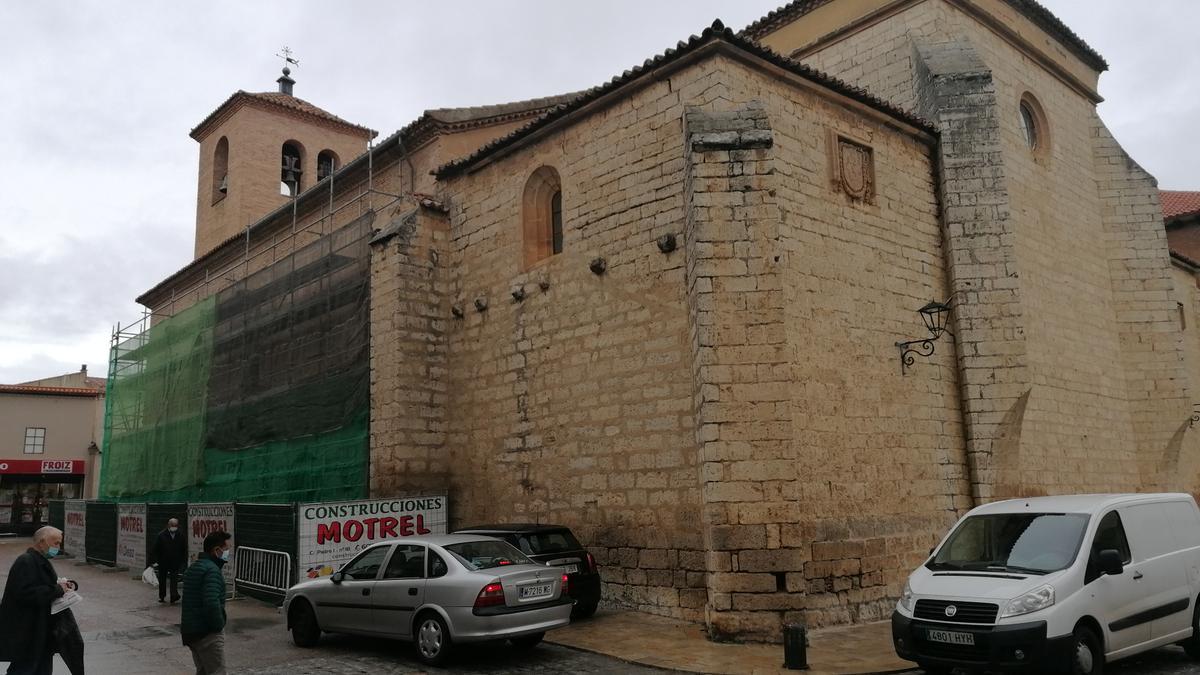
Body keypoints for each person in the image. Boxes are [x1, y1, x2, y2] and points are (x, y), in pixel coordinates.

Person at [0, 526, 78, 675]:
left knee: (39, 668)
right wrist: (57, 590)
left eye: (59, 543)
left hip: (40, 631)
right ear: (42, 542)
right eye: (55, 543)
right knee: (25, 669)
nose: (58, 547)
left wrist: (61, 587)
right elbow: (26, 593)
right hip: (28, 632)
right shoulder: (26, 562)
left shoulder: (39, 560)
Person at [181, 531, 231, 675]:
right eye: (226, 549)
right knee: (217, 671)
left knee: (202, 671)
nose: (228, 553)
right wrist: (218, 625)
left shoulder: (194, 568)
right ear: (216, 550)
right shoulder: (212, 571)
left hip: (192, 632)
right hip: (207, 632)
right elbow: (211, 602)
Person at [152, 518, 187, 604]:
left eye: (175, 526)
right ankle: (162, 596)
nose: (174, 527)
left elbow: (184, 548)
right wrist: (156, 560)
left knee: (174, 579)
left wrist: (182, 560)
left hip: (175, 561)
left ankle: (173, 596)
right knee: (162, 579)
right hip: (163, 561)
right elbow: (156, 549)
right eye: (172, 526)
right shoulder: (161, 535)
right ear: (168, 525)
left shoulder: (181, 535)